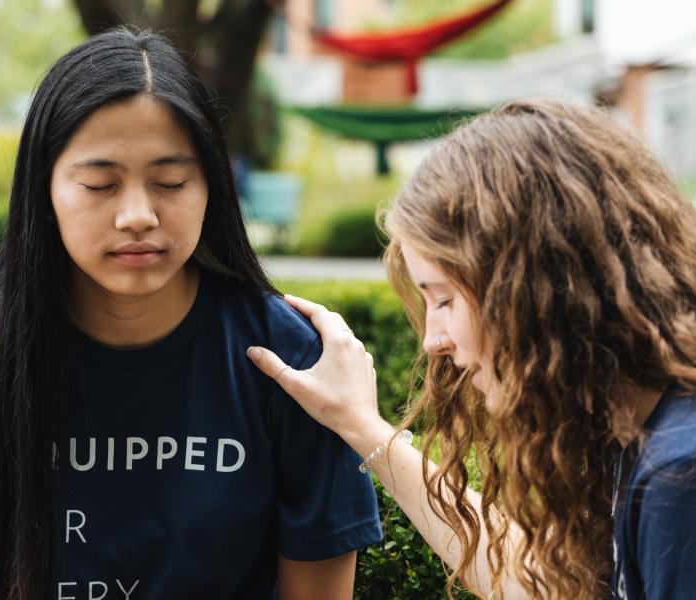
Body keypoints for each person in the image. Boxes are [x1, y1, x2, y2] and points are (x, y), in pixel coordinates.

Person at [0, 28, 382, 600]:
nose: (138, 215)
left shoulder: (288, 362)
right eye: (99, 184)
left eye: (170, 182)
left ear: (212, 188)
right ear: (44, 191)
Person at [247, 98, 696, 599]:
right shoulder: (642, 429)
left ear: (536, 287)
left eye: (444, 299)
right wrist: (360, 424)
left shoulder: (680, 475)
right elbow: (547, 585)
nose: (433, 341)